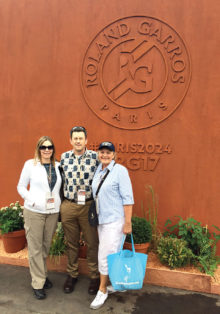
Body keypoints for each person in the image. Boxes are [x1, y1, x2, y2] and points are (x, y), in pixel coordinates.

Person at [90, 141, 134, 310]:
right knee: (113, 253)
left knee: (104, 255)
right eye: (102, 152)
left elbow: (128, 198)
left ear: (114, 155)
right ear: (98, 154)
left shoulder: (120, 171)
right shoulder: (98, 170)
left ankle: (102, 290)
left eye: (109, 152)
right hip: (102, 220)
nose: (105, 155)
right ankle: (116, 283)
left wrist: (128, 222)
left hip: (115, 221)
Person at [17, 136, 62, 300]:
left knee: (45, 247)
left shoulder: (58, 166)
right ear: (38, 149)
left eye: (50, 147)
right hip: (34, 211)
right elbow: (20, 186)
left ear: (53, 149)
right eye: (43, 147)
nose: (47, 150)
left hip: (52, 212)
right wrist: (32, 200)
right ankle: (37, 283)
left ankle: (41, 275)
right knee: (35, 248)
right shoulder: (30, 165)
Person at [60, 126, 100, 295]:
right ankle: (72, 274)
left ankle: (94, 276)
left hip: (88, 206)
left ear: (86, 140)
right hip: (69, 205)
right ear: (70, 140)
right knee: (71, 242)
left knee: (92, 242)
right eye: (75, 138)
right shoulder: (64, 157)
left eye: (80, 138)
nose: (78, 141)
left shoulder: (95, 157)